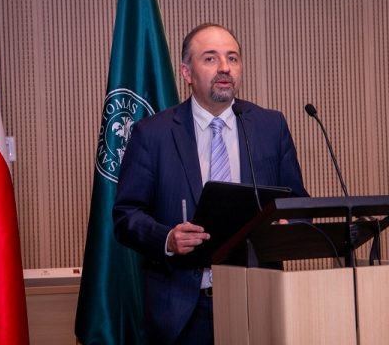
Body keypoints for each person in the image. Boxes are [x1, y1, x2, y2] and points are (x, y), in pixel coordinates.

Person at [113, 23, 308, 344]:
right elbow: (126, 216)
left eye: (232, 58)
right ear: (186, 72)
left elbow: (298, 204)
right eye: (210, 58)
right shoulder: (153, 133)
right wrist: (167, 238)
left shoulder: (270, 126)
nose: (224, 67)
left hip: (257, 302)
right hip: (183, 310)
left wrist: (287, 225)